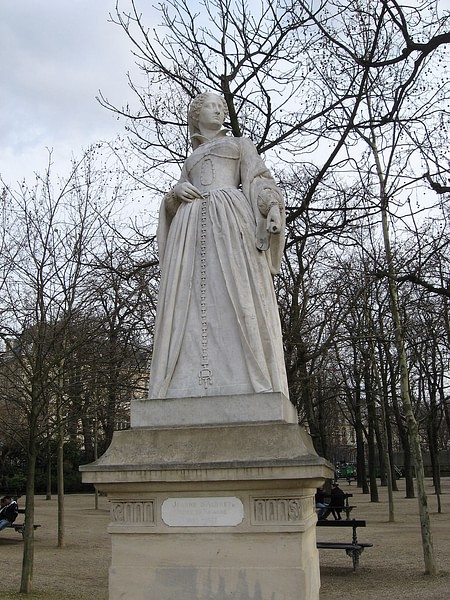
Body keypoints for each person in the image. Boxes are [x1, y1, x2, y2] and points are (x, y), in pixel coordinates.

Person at [148, 93, 289, 400]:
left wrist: (272, 207)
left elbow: (258, 180)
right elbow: (174, 202)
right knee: (189, 297)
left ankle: (250, 381)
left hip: (231, 221)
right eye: (211, 106)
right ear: (196, 114)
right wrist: (174, 193)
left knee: (238, 291)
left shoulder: (240, 144)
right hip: (189, 225)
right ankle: (182, 385)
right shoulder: (189, 160)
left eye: (221, 107)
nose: (219, 110)